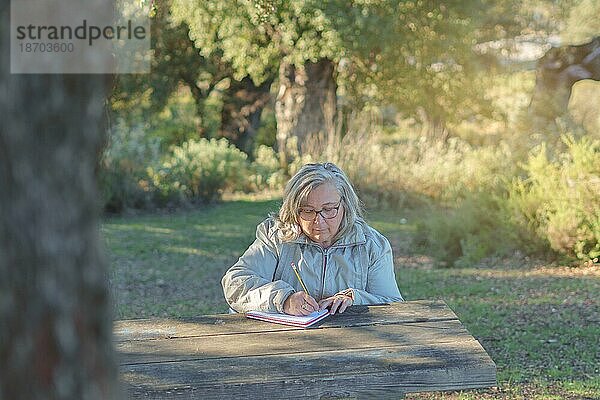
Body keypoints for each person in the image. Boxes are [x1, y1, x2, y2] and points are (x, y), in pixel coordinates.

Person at [222, 162, 402, 316]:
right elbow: (235, 283)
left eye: (329, 209)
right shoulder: (276, 237)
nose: (319, 220)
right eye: (308, 211)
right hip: (277, 344)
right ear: (294, 209)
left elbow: (394, 305)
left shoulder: (371, 245)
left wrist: (354, 298)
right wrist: (284, 300)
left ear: (345, 206)